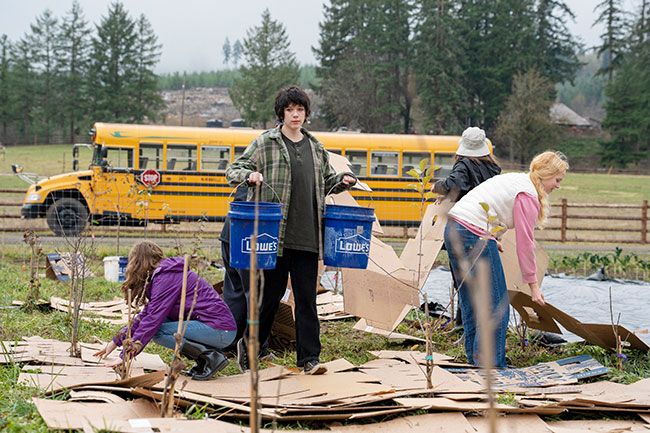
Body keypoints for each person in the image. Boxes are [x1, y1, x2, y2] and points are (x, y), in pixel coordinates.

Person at [225, 86, 357, 375]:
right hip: (274, 238)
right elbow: (233, 170)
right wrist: (249, 175)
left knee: (307, 300)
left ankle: (309, 359)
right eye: (290, 110)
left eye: (300, 110)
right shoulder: (265, 143)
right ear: (281, 114)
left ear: (306, 114)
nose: (295, 115)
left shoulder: (316, 148)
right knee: (268, 299)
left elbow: (326, 183)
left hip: (308, 238)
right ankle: (251, 351)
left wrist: (343, 180)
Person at [444, 151, 569, 368]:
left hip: (454, 228)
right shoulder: (527, 194)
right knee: (497, 306)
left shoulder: (517, 180)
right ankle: (491, 366)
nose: (557, 186)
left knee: (473, 303)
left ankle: (477, 363)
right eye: (557, 180)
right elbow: (525, 244)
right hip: (473, 235)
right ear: (547, 175)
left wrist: (493, 235)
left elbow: (493, 208)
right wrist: (534, 286)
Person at [94, 241, 237, 381]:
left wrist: (126, 356)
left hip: (220, 330)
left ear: (138, 262)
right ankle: (205, 360)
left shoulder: (166, 278)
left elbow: (152, 321)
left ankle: (211, 357)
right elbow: (146, 315)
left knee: (159, 332)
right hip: (212, 327)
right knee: (159, 325)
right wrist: (114, 342)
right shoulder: (164, 275)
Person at [432, 126, 501, 326]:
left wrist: (437, 185)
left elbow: (454, 185)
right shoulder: (493, 169)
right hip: (485, 227)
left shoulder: (464, 165)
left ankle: (463, 323)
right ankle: (480, 322)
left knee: (462, 279)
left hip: (464, 226)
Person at [432, 126, 501, 202]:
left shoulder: (464, 164)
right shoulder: (492, 166)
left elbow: (456, 184)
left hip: (468, 211)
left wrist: (437, 186)